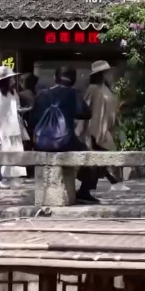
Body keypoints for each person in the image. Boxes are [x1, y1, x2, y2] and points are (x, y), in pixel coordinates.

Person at [31, 66, 96, 203]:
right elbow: (87, 114)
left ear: (55, 78)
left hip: (40, 143)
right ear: (73, 80)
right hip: (65, 142)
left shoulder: (41, 95)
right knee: (92, 159)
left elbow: (32, 119)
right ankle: (84, 190)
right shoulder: (73, 94)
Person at [79, 61, 125, 190]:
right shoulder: (93, 89)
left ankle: (88, 187)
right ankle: (114, 182)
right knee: (104, 156)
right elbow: (84, 107)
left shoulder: (105, 88)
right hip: (95, 128)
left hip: (105, 128)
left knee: (100, 158)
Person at [0, 66, 25, 186]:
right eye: (10, 78)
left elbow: (17, 107)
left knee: (12, 151)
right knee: (3, 151)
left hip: (13, 126)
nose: (13, 80)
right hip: (3, 126)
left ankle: (9, 177)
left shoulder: (13, 92)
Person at [18, 74, 38, 179]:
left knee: (26, 147)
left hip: (25, 125)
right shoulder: (38, 95)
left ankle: (26, 170)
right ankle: (32, 170)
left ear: (23, 83)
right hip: (36, 125)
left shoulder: (21, 95)